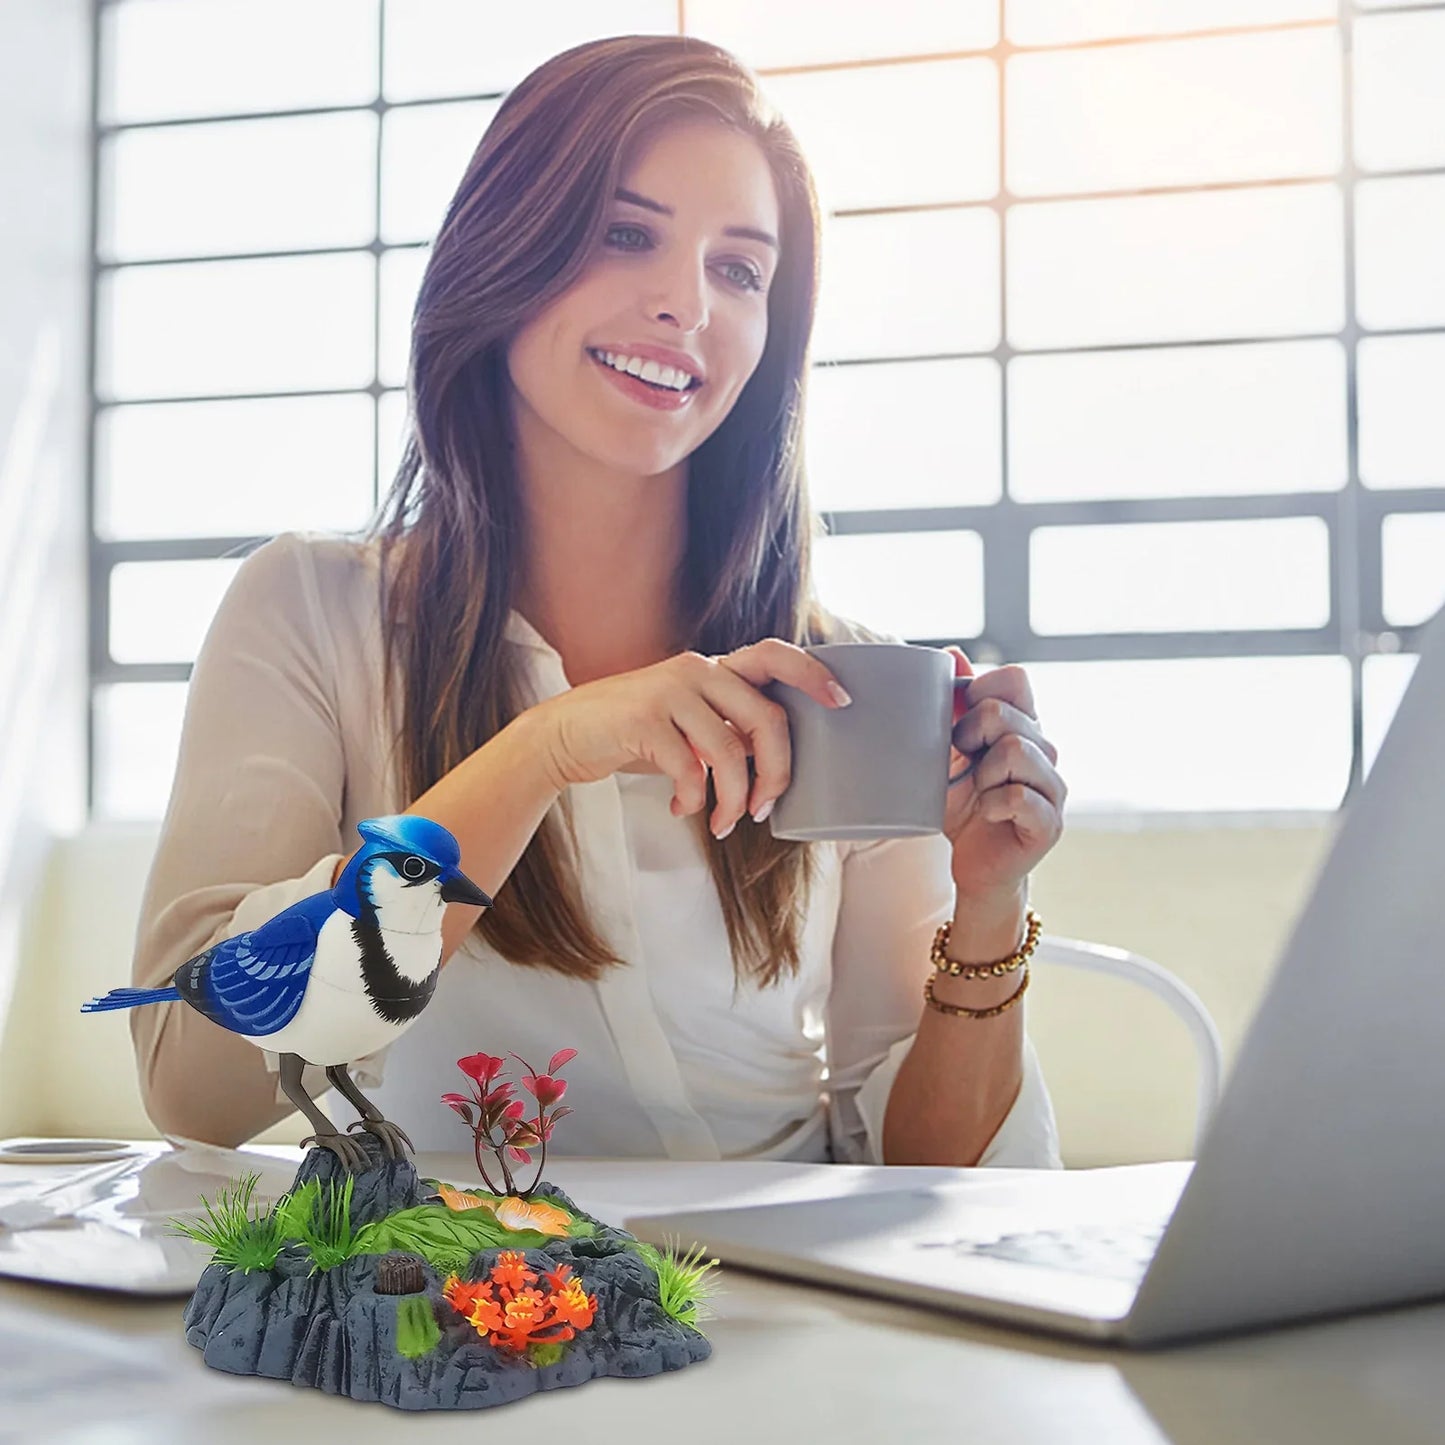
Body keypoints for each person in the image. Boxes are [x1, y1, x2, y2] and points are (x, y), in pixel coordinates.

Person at [129, 34, 1067, 1168]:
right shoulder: (312, 613)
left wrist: (986, 900)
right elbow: (194, 1081)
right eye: (627, 235)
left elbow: (932, 1178)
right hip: (484, 1312)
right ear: (504, 253)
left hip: (799, 1311)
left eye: (739, 269)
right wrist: (540, 752)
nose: (684, 304)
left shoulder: (846, 682)